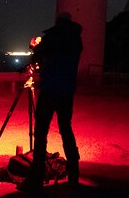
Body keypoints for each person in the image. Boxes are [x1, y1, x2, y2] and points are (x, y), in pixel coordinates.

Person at [21, 12, 83, 191]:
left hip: (49, 90)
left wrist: (35, 46)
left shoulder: (53, 37)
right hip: (66, 91)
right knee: (66, 130)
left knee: (41, 133)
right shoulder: (76, 39)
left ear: (58, 23)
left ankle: (36, 175)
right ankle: (74, 172)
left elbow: (37, 56)